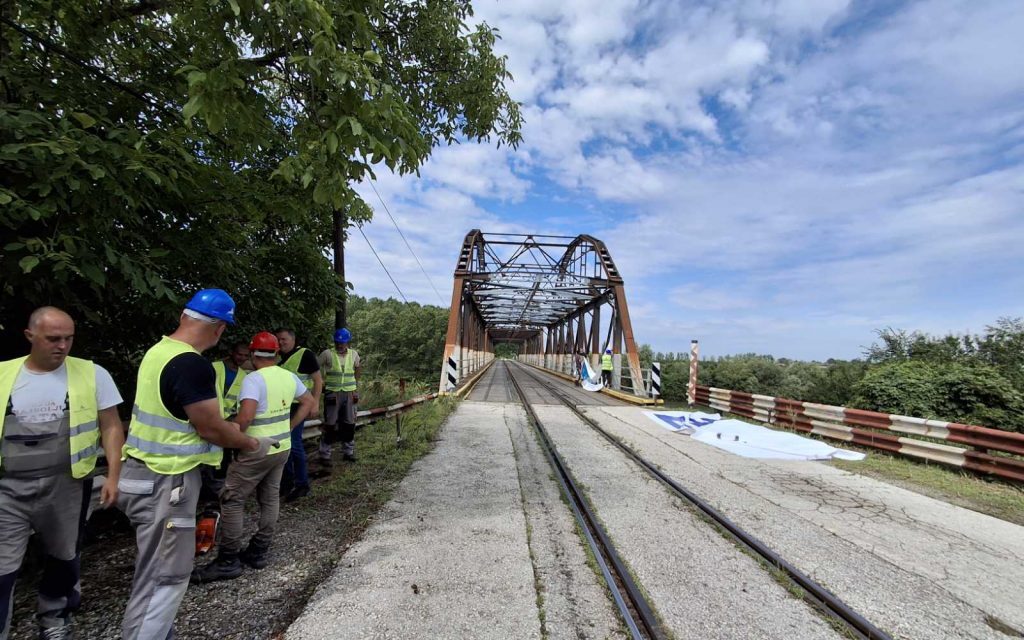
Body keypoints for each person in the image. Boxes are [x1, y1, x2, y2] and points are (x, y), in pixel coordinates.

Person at [117, 289, 270, 640]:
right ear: (219, 329)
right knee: (165, 578)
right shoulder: (191, 364)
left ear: (185, 317)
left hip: (143, 475)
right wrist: (249, 442)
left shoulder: (158, 352)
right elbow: (210, 427)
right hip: (167, 482)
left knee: (153, 569)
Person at [0, 307, 125, 640]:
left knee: (63, 557)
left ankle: (54, 619)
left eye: (68, 338)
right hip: (7, 490)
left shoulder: (91, 373)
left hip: (67, 485)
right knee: (2, 569)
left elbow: (111, 425)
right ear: (30, 337)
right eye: (53, 339)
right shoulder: (3, 374)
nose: (62, 346)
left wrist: (113, 475)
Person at [192, 332, 315, 582]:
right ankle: (259, 550)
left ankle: (228, 560)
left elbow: (246, 417)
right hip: (281, 447)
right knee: (269, 499)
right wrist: (290, 427)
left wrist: (233, 437)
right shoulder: (288, 376)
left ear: (251, 353)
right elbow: (309, 401)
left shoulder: (253, 380)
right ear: (277, 353)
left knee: (233, 500)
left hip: (255, 449)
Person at [274, 328, 321, 502]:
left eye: (284, 339)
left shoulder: (304, 354)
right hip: (281, 407)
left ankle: (302, 484)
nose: (281, 343)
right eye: (278, 339)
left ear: (293, 339)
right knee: (284, 445)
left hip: (299, 406)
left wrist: (315, 403)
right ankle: (287, 482)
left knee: (294, 444)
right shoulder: (277, 357)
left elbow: (317, 380)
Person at [317, 328, 361, 468]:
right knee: (330, 424)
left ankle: (348, 451)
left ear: (347, 342)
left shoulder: (354, 354)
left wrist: (355, 384)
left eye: (342, 342)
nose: (340, 345)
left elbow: (358, 368)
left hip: (349, 393)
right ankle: (325, 454)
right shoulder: (327, 354)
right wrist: (321, 382)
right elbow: (315, 368)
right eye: (337, 342)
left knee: (349, 423)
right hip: (333, 393)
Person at [212, 342, 249, 419]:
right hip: (209, 414)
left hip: (229, 418)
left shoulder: (244, 376)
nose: (243, 358)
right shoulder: (214, 367)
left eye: (246, 356)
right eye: (240, 354)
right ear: (231, 352)